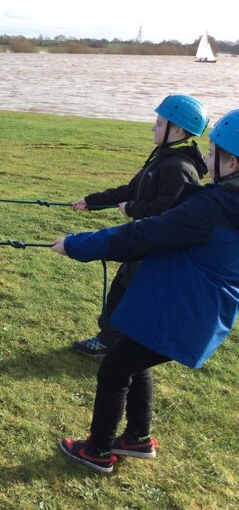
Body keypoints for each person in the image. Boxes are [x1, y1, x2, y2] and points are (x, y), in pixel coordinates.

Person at [50, 109, 239, 474]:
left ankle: (97, 450)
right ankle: (137, 438)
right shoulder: (225, 203)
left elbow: (144, 234)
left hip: (187, 312)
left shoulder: (216, 207)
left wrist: (76, 245)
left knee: (114, 369)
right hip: (189, 305)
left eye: (213, 153)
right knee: (131, 358)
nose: (207, 159)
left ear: (232, 164)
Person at [71, 94, 209, 356]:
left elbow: (170, 213)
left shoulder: (178, 167)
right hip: (143, 241)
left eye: (159, 123)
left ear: (177, 130)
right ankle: (116, 341)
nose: (153, 127)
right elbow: (132, 189)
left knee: (125, 293)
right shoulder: (163, 158)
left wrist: (133, 209)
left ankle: (111, 342)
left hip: (155, 248)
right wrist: (92, 201)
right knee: (123, 291)